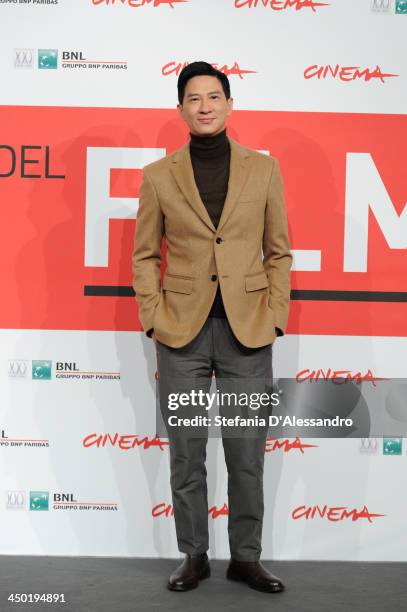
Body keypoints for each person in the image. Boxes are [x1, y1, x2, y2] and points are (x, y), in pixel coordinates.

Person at [132, 61, 292, 593]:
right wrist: (154, 317)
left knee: (247, 454)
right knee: (186, 452)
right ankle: (194, 555)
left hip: (248, 332)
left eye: (214, 97)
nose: (204, 106)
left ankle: (246, 557)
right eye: (194, 98)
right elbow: (145, 255)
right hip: (182, 335)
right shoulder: (159, 176)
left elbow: (279, 251)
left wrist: (276, 315)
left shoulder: (263, 170)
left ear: (229, 104)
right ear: (181, 108)